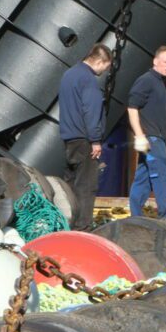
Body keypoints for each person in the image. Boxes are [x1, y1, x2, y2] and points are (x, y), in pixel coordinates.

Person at [56, 45, 111, 231]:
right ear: (100, 61)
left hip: (69, 139)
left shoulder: (69, 75)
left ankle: (66, 224)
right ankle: (83, 229)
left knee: (69, 186)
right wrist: (95, 140)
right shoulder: (88, 79)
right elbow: (91, 111)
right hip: (85, 140)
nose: (104, 72)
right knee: (86, 186)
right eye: (106, 67)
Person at [126, 47, 166, 218]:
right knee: (162, 175)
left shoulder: (159, 82)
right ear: (155, 61)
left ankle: (135, 217)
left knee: (144, 178)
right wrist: (140, 135)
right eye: (165, 62)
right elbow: (132, 107)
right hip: (151, 138)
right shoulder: (147, 80)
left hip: (155, 137)